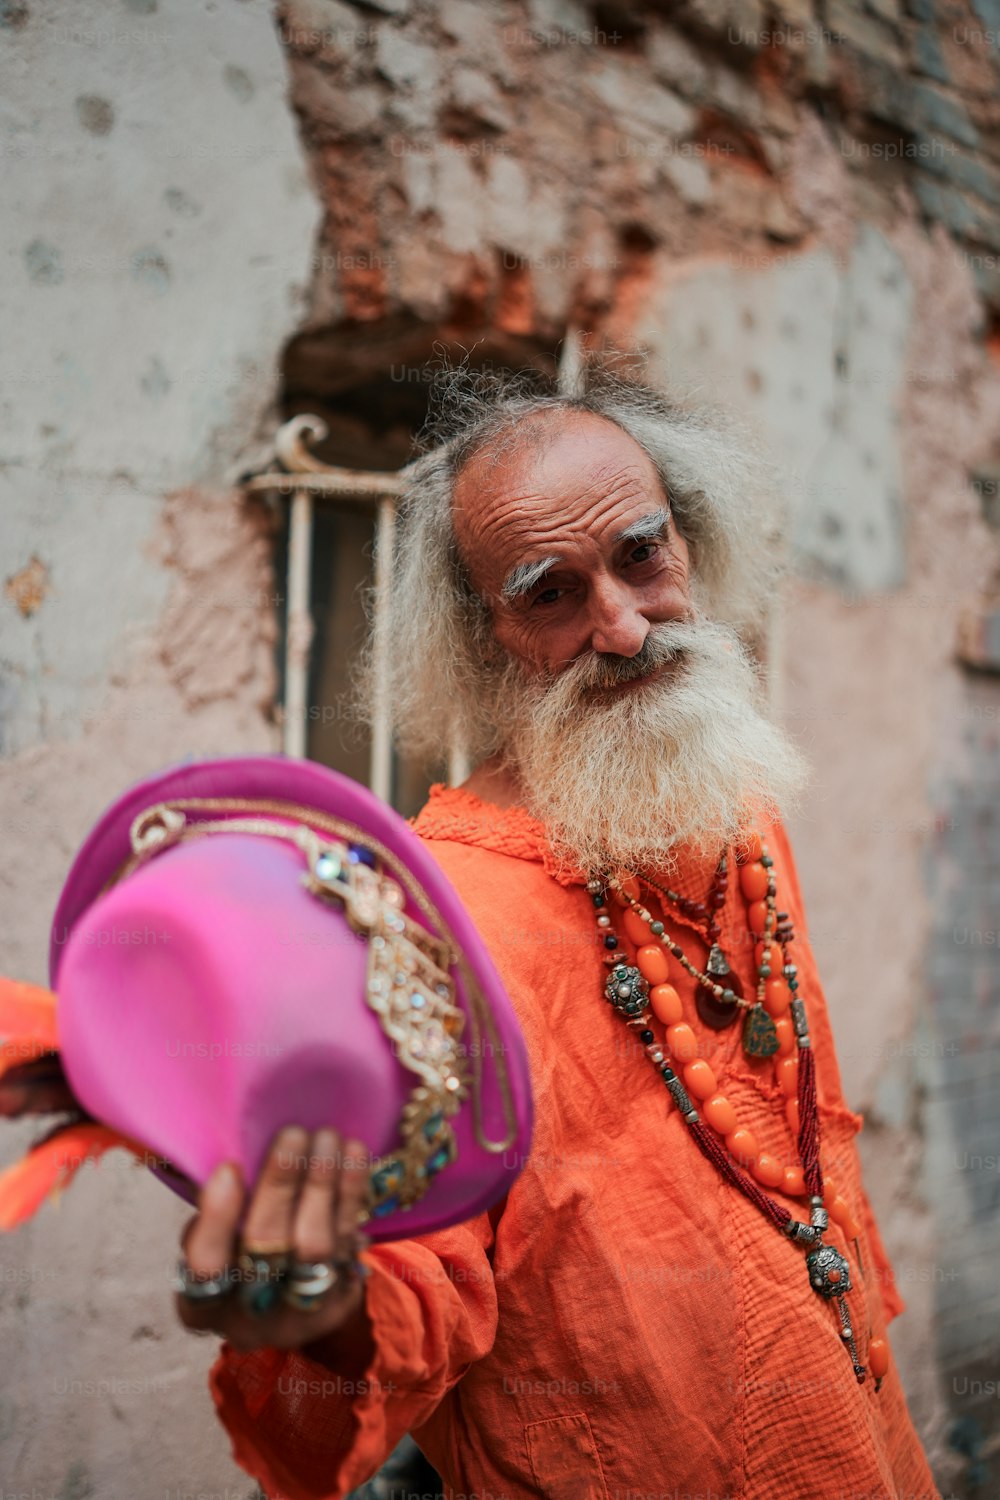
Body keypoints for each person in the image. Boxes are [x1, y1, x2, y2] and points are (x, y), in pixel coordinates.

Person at [176, 366, 940, 1499]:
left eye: (641, 555)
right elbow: (407, 1286)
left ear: (689, 540)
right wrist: (317, 1309)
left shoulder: (734, 796)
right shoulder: (433, 927)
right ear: (486, 636)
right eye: (550, 593)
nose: (624, 628)